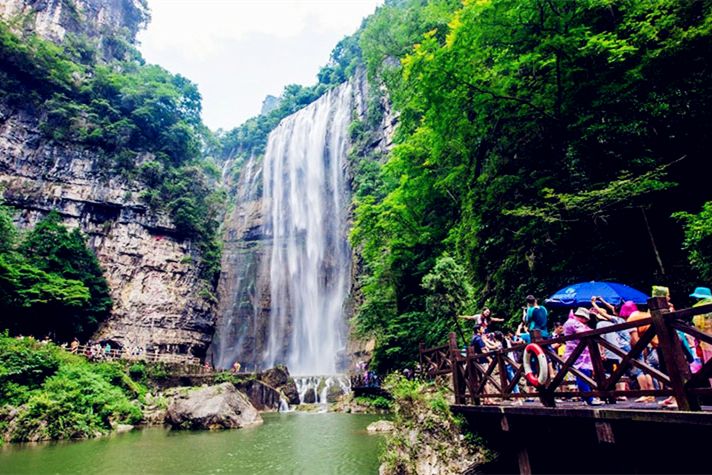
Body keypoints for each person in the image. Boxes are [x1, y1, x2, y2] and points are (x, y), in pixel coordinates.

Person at [563, 307, 604, 406]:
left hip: (581, 354)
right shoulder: (572, 322)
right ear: (582, 317)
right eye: (585, 319)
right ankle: (589, 398)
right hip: (576, 353)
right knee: (583, 374)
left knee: (585, 374)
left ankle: (586, 398)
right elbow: (585, 332)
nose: (586, 321)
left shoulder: (576, 323)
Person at [690, 287, 712, 387]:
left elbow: (697, 329)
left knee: (709, 369)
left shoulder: (698, 311)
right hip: (707, 341)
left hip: (706, 344)